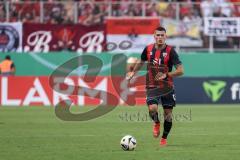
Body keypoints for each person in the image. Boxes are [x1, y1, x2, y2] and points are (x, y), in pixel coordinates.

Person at [126, 26, 184, 146]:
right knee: (152, 109)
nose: (160, 37)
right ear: (154, 36)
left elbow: (181, 71)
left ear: (165, 37)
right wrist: (133, 73)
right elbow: (141, 61)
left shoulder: (171, 51)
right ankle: (156, 122)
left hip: (167, 87)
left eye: (162, 35)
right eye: (158, 35)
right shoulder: (148, 49)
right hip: (152, 85)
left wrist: (166, 74)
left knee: (168, 115)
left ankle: (164, 138)